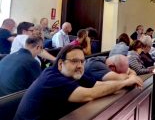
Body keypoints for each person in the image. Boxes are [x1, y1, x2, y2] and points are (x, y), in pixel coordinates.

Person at [14, 45, 143, 120]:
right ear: (60, 64)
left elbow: (99, 85)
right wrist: (126, 82)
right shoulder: (51, 78)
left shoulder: (75, 73)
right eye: (74, 61)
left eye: (82, 61)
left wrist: (128, 79)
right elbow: (89, 94)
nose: (80, 65)